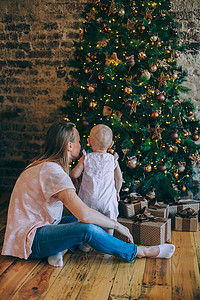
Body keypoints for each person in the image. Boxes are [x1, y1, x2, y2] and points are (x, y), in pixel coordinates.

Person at [1, 121, 175, 268]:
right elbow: (84, 213)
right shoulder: (53, 172)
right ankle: (140, 251)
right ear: (69, 146)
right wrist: (117, 225)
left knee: (88, 221)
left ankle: (58, 250)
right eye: (77, 141)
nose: (81, 145)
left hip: (39, 229)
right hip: (30, 240)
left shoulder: (44, 166)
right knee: (87, 227)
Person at [71, 124, 123, 252]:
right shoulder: (112, 159)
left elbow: (74, 174)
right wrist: (117, 191)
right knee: (109, 222)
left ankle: (86, 246)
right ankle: (108, 245)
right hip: (107, 199)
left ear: (88, 141)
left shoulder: (86, 157)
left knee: (86, 222)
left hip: (88, 200)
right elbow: (119, 179)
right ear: (111, 145)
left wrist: (75, 179)